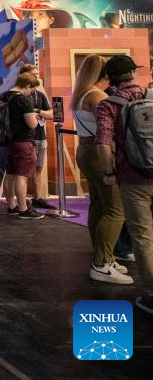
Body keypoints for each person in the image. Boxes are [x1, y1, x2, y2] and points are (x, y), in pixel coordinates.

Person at [95, 55, 153, 313]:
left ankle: (151, 295)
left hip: (133, 177)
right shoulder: (151, 95)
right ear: (133, 73)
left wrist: (109, 172)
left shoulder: (108, 105)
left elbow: (103, 143)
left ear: (110, 79)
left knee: (142, 237)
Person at [71, 55, 130, 285]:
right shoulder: (97, 96)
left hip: (85, 151)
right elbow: (111, 129)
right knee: (116, 210)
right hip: (99, 154)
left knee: (98, 204)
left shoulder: (82, 95)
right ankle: (102, 263)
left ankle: (103, 256)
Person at [0, 75, 44, 220]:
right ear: (27, 85)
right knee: (22, 176)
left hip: (9, 141)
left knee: (10, 174)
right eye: (31, 89)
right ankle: (23, 209)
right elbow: (32, 124)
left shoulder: (4, 96)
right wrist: (36, 116)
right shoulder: (23, 100)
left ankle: (11, 206)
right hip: (23, 141)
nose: (31, 92)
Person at [19, 64, 56, 210]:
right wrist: (36, 114)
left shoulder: (39, 95)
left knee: (38, 168)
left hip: (41, 136)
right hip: (28, 138)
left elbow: (51, 114)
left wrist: (38, 112)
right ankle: (22, 202)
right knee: (24, 171)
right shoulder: (21, 96)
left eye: (37, 74)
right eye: (34, 74)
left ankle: (37, 197)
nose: (37, 76)